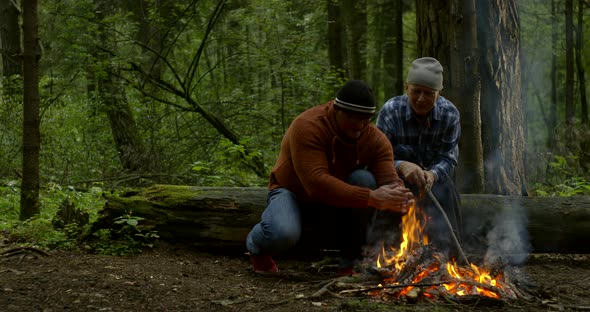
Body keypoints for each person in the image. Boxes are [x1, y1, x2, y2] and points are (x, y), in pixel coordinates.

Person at [246, 80, 414, 274]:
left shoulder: (375, 139)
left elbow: (389, 181)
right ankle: (256, 247)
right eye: (353, 118)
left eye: (365, 119)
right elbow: (315, 183)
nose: (359, 125)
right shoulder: (308, 126)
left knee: (363, 179)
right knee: (283, 232)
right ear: (336, 110)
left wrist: (401, 197)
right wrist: (372, 197)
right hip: (292, 192)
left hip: (337, 202)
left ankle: (350, 263)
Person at [376, 57, 463, 255]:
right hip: (395, 179)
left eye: (429, 93)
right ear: (407, 88)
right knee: (388, 192)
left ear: (439, 93)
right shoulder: (390, 112)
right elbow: (377, 158)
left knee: (447, 189)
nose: (421, 99)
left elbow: (448, 158)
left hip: (435, 182)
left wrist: (432, 175)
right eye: (416, 91)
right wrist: (402, 166)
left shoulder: (450, 115)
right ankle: (385, 253)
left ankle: (447, 256)